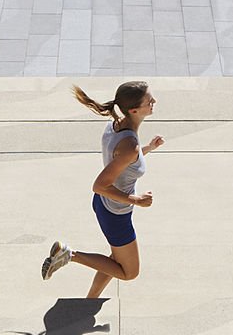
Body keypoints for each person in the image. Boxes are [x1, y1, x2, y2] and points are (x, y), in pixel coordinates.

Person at [40, 82, 164, 298]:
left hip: (104, 204)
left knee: (116, 259)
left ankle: (91, 298)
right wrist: (136, 199)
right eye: (149, 101)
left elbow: (125, 160)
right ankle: (69, 255)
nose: (154, 103)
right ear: (134, 110)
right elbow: (100, 184)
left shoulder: (115, 126)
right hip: (116, 213)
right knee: (129, 272)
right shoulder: (129, 146)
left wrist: (148, 148)